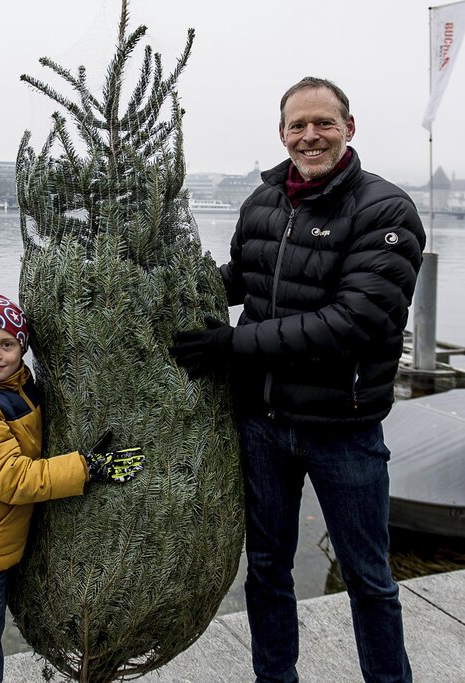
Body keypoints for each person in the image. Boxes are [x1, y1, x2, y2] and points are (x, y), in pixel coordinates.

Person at [172, 77, 425, 682]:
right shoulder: (262, 203)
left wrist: (232, 344)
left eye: (324, 124)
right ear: (282, 135)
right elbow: (244, 277)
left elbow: (355, 321)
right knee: (266, 569)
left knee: (368, 579)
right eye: (298, 126)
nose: (310, 136)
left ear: (349, 128)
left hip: (344, 427)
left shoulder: (385, 210)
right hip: (263, 424)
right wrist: (171, 290)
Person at [0, 293, 144, 683]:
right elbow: (12, 479)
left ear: (22, 347)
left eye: (6, 344)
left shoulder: (15, 385)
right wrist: (85, 468)